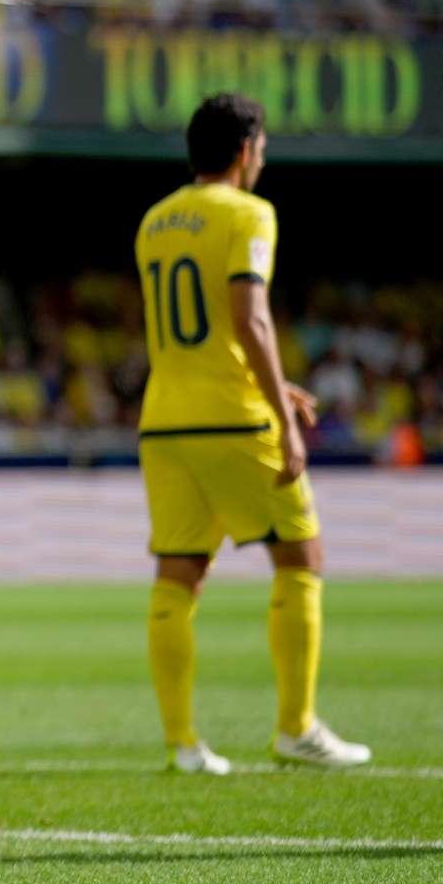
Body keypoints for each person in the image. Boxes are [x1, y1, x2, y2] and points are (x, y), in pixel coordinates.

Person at [133, 92, 370, 774]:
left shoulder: (154, 221)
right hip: (235, 418)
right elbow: (248, 319)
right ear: (245, 151)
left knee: (179, 573)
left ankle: (183, 743)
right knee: (302, 556)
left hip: (165, 419)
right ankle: (296, 728)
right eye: (261, 149)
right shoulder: (250, 212)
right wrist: (284, 420)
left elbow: (197, 327)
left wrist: (276, 386)